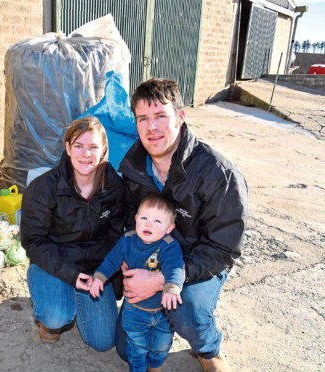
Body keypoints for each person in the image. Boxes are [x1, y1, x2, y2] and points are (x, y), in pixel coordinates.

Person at [116, 78, 248, 371]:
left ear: (180, 116)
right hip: (153, 257)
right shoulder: (133, 168)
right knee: (128, 351)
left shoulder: (218, 173)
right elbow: (128, 219)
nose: (152, 127)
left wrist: (165, 279)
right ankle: (165, 317)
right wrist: (130, 256)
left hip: (200, 261)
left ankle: (208, 347)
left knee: (186, 308)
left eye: (161, 116)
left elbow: (222, 248)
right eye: (143, 118)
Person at [21, 116, 126, 350]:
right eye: (78, 145)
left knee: (103, 342)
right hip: (54, 263)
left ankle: (79, 301)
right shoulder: (43, 188)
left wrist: (104, 274)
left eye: (93, 147)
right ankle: (52, 315)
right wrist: (70, 274)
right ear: (68, 148)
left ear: (104, 150)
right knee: (56, 315)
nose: (85, 154)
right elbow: (33, 241)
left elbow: (116, 236)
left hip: (94, 269)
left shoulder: (115, 188)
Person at [90, 194, 184, 372]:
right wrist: (99, 278)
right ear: (136, 219)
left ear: (169, 228)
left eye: (157, 221)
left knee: (161, 346)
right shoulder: (128, 239)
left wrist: (172, 287)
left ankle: (155, 366)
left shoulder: (169, 245)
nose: (149, 224)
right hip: (134, 310)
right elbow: (111, 261)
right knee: (136, 347)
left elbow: (176, 268)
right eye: (144, 218)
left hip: (163, 312)